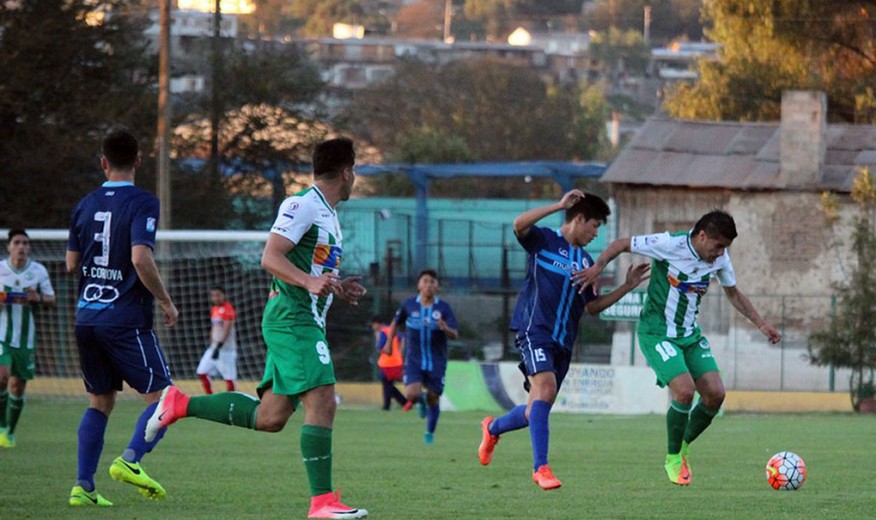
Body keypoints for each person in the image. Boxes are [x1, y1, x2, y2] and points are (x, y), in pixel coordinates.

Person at [144, 138, 368, 519]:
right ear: (347, 171)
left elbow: (308, 268)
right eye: (354, 172)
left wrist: (334, 285)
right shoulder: (303, 205)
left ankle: (180, 403)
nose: (354, 179)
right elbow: (270, 256)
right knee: (323, 400)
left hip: (303, 317)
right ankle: (322, 502)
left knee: (270, 417)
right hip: (292, 318)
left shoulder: (328, 214)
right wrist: (307, 282)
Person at [573, 209, 782, 486]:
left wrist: (761, 324)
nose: (720, 254)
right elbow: (621, 244)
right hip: (657, 332)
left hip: (690, 335)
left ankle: (682, 446)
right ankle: (673, 458)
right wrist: (598, 267)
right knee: (684, 391)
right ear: (702, 236)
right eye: (718, 246)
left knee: (716, 395)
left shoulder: (720, 259)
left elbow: (733, 293)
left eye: (725, 249)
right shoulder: (669, 244)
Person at [477, 190, 650, 490]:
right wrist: (558, 205)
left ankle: (492, 428)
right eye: (595, 226)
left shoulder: (586, 262)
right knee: (545, 388)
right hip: (534, 331)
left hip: (563, 344)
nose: (596, 234)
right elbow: (519, 224)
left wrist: (627, 286)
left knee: (535, 410)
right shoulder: (544, 241)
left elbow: (592, 307)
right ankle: (540, 468)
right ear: (579, 219)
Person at [65, 126, 180, 506]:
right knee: (166, 398)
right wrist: (164, 300)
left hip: (87, 318)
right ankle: (131, 460)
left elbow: (70, 264)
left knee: (99, 402)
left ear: (103, 162)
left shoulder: (84, 204)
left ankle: (84, 486)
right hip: (124, 318)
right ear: (138, 161)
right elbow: (139, 257)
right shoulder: (144, 202)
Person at [386, 268, 458, 445]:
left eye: (432, 282)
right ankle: (419, 401)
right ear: (419, 285)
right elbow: (395, 323)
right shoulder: (409, 305)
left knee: (434, 396)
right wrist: (388, 344)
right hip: (414, 359)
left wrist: (445, 328)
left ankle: (429, 433)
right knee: (411, 394)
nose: (429, 285)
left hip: (437, 360)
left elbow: (455, 334)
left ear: (437, 286)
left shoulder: (443, 308)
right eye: (425, 281)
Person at [0, 229, 56, 448]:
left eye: (25, 243)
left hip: (26, 338)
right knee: (2, 378)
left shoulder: (38, 271)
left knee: (17, 387)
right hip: (2, 335)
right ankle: (1, 426)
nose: (21, 246)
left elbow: (51, 299)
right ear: (9, 246)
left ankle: (9, 432)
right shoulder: (1, 269)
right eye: (17, 242)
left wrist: (38, 297)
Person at [196, 286, 238, 394]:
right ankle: (210, 396)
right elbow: (214, 327)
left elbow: (227, 330)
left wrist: (219, 346)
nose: (215, 298)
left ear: (223, 295)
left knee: (229, 378)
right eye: (213, 295)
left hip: (226, 350)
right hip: (214, 347)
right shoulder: (214, 309)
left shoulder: (228, 309)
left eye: (218, 295)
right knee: (202, 371)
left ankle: (231, 400)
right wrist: (212, 343)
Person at [370, 315, 407, 411]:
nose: (373, 327)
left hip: (388, 363)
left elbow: (379, 347)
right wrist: (400, 351)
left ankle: (395, 404)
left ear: (377, 324)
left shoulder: (382, 332)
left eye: (373, 325)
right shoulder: (390, 329)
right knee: (388, 384)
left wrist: (377, 338)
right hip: (396, 361)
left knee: (387, 384)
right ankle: (400, 403)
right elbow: (402, 337)